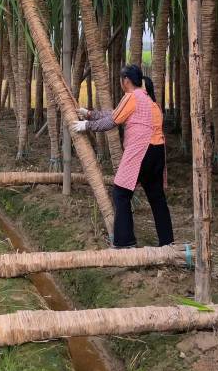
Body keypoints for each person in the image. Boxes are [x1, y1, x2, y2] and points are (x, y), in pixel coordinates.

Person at [71, 64, 174, 249]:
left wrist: (86, 126)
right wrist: (90, 114)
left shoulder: (132, 97)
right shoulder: (150, 102)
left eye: (121, 80)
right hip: (158, 153)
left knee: (121, 193)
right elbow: (116, 114)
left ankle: (125, 242)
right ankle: (167, 242)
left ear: (125, 80)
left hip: (142, 151)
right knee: (157, 198)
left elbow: (112, 121)